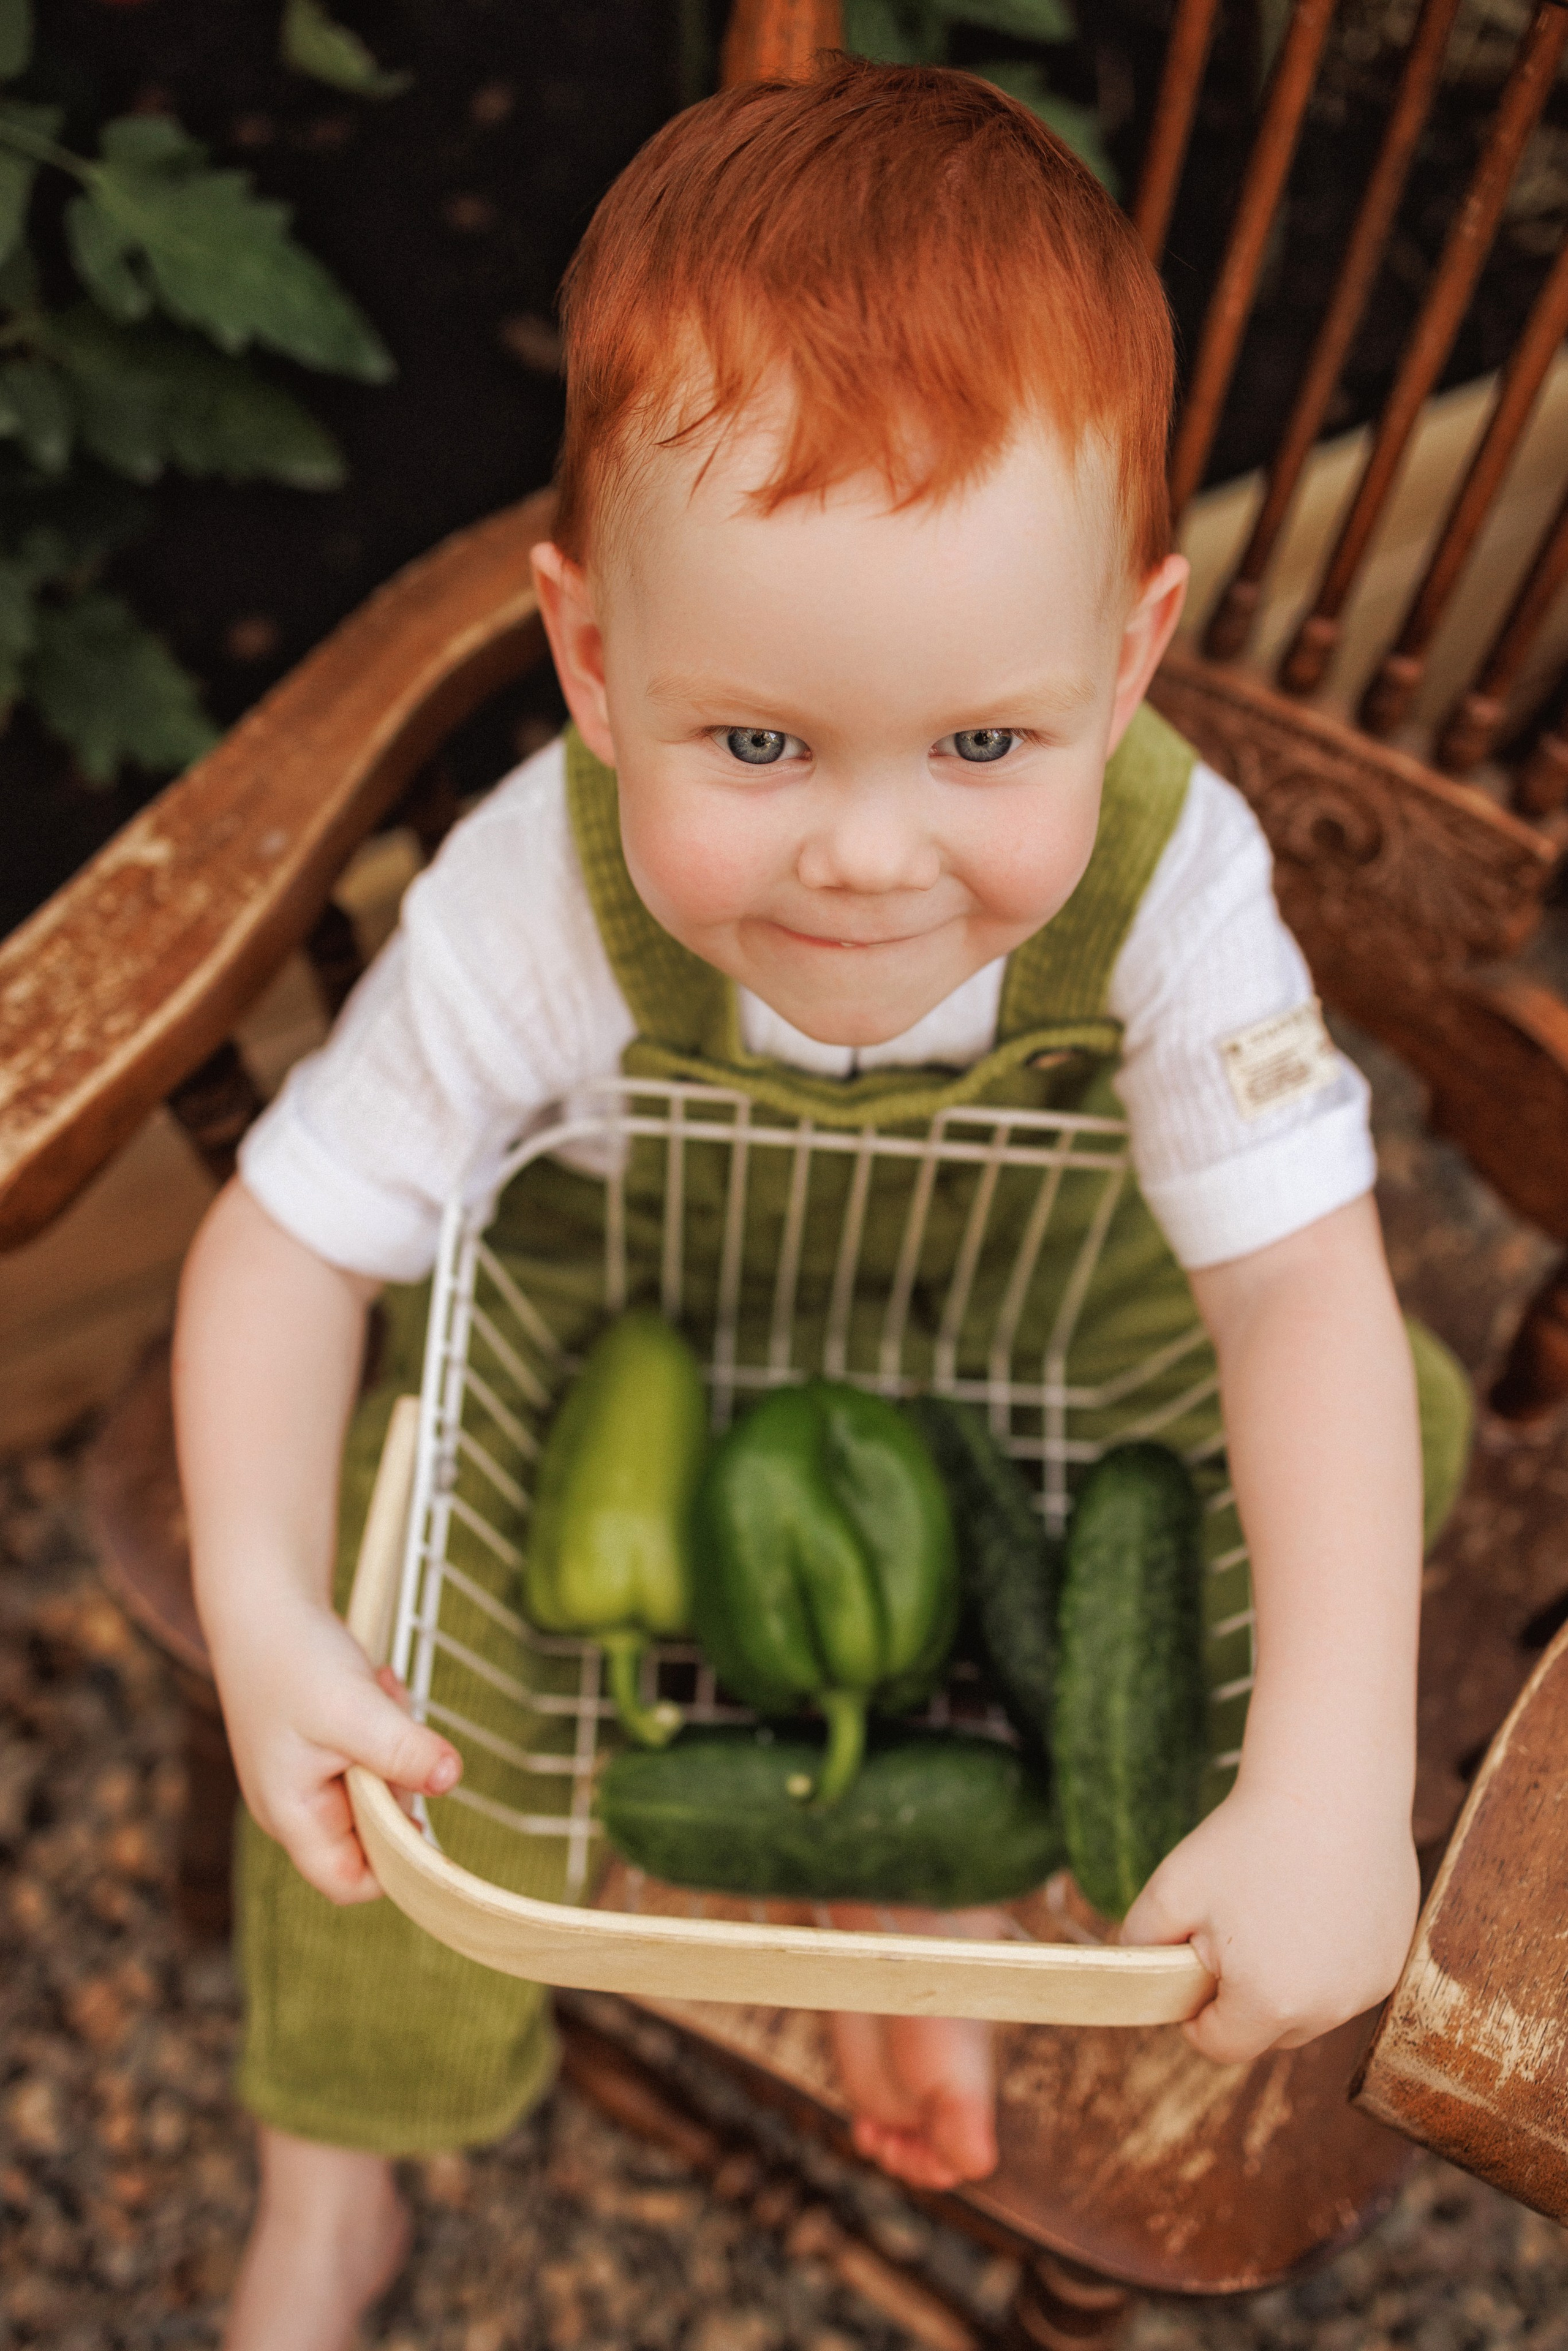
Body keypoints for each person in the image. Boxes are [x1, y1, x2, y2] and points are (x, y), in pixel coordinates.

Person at [173, 55, 1469, 2351]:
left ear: (1128, 661)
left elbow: (1291, 1290)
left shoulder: (1176, 878)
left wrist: (1339, 1779)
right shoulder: (534, 899)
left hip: (1031, 1316)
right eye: (759, 743)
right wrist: (263, 1610)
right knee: (380, 1663)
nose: (869, 856)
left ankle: (952, 1887)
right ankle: (338, 2161)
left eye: (984, 744)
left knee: (1396, 1421)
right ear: (596, 664)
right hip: (639, 1328)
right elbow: (290, 1240)